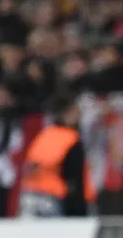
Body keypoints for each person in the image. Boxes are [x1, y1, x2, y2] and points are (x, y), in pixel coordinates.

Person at [18, 87, 96, 218]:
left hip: (30, 197)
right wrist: (79, 211)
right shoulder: (71, 139)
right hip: (55, 201)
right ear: (69, 113)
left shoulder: (44, 135)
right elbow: (74, 180)